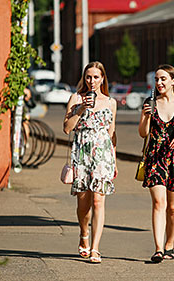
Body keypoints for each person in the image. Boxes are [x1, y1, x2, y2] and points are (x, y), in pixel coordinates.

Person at [63, 61, 117, 264]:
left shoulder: (111, 102)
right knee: (83, 204)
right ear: (84, 78)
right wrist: (80, 109)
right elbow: (67, 129)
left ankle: (95, 248)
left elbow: (112, 133)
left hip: (103, 155)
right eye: (88, 77)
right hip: (82, 154)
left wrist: (114, 160)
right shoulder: (76, 98)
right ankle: (83, 233)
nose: (92, 81)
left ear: (102, 78)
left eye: (96, 77)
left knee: (98, 201)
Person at [138, 64, 174, 263]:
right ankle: (158, 248)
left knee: (173, 208)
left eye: (163, 79)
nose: (159, 83)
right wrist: (146, 116)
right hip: (155, 158)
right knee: (159, 203)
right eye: (157, 80)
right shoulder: (150, 102)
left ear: (172, 81)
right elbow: (143, 133)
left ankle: (170, 244)